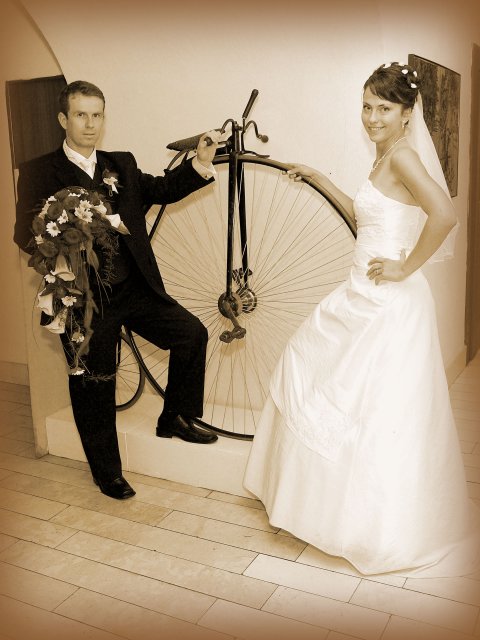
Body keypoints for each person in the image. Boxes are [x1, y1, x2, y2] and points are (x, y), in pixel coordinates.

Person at [244, 62, 480, 577]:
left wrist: (405, 266)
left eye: (384, 108)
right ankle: (324, 511)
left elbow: (445, 215)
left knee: (373, 412)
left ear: (407, 113)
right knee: (315, 372)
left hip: (386, 303)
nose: (372, 117)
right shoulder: (386, 155)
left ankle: (377, 528)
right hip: (361, 292)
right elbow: (364, 217)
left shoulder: (405, 157)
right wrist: (320, 178)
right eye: (367, 106)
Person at [14, 80, 223, 500]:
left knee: (191, 334)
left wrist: (200, 163)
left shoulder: (121, 164)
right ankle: (107, 472)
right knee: (95, 383)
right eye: (81, 115)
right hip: (84, 299)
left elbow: (162, 189)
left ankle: (175, 416)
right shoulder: (39, 170)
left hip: (134, 287)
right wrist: (62, 241)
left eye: (97, 115)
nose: (90, 124)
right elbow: (24, 233)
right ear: (63, 119)